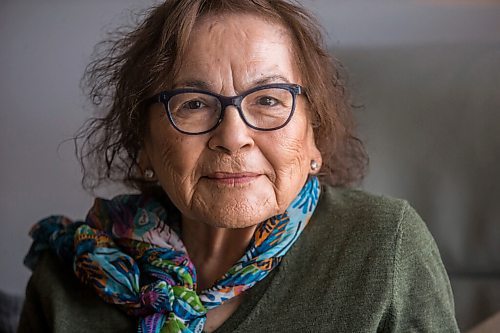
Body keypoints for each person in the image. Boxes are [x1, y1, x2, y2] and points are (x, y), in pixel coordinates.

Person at [17, 0, 459, 332]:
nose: (233, 136)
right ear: (144, 146)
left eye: (268, 100)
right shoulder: (67, 281)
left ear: (314, 137)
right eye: (193, 103)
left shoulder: (383, 246)